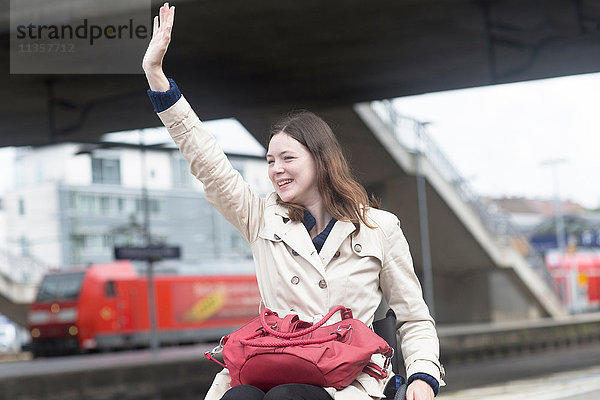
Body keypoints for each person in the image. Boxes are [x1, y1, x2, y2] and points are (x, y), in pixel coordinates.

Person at [142, 3, 445, 400]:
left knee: (289, 397)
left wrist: (422, 376)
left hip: (347, 381)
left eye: (288, 158)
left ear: (321, 161)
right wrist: (156, 76)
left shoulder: (379, 228)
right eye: (270, 160)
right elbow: (208, 162)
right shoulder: (260, 218)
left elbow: (413, 317)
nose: (276, 170)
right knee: (239, 397)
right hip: (272, 366)